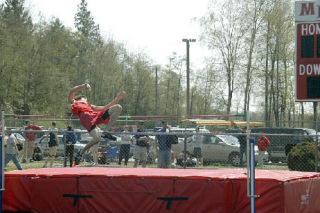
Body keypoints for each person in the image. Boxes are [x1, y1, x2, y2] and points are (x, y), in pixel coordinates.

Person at [68, 83, 126, 165]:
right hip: (86, 116)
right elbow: (72, 91)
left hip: (96, 116)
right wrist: (83, 86)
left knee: (118, 107)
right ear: (81, 98)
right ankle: (81, 153)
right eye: (85, 99)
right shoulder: (74, 102)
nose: (87, 101)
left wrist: (117, 99)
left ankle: (106, 131)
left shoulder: (90, 106)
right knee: (96, 139)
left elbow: (105, 107)